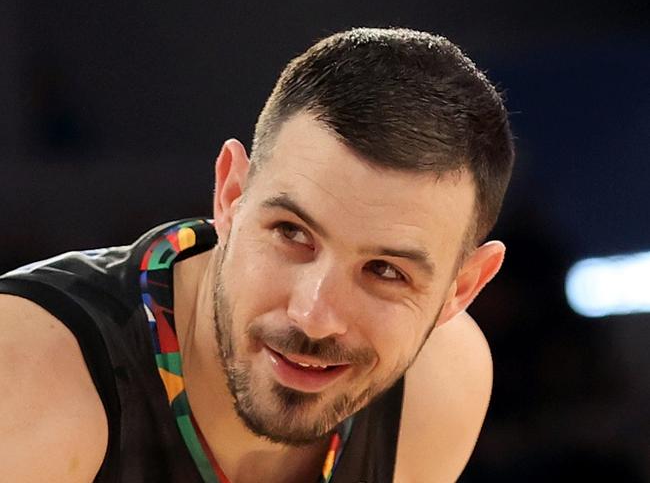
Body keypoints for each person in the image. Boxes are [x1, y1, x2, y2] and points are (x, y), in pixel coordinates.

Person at [0, 27, 514, 483]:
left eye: (385, 271)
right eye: (291, 233)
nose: (312, 318)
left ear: (462, 289)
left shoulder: (439, 386)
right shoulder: (27, 378)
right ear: (230, 195)